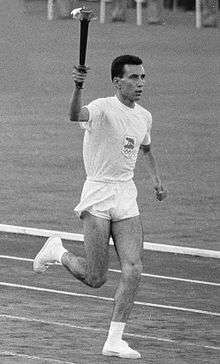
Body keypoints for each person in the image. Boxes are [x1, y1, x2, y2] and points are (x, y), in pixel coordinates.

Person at [33, 55, 167, 359]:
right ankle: (58, 251)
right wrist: (77, 86)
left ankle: (114, 340)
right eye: (133, 78)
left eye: (143, 77)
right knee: (96, 278)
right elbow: (73, 114)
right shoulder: (102, 107)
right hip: (98, 192)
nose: (140, 83)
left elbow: (145, 148)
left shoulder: (144, 116)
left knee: (134, 268)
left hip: (126, 194)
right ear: (117, 81)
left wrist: (157, 180)